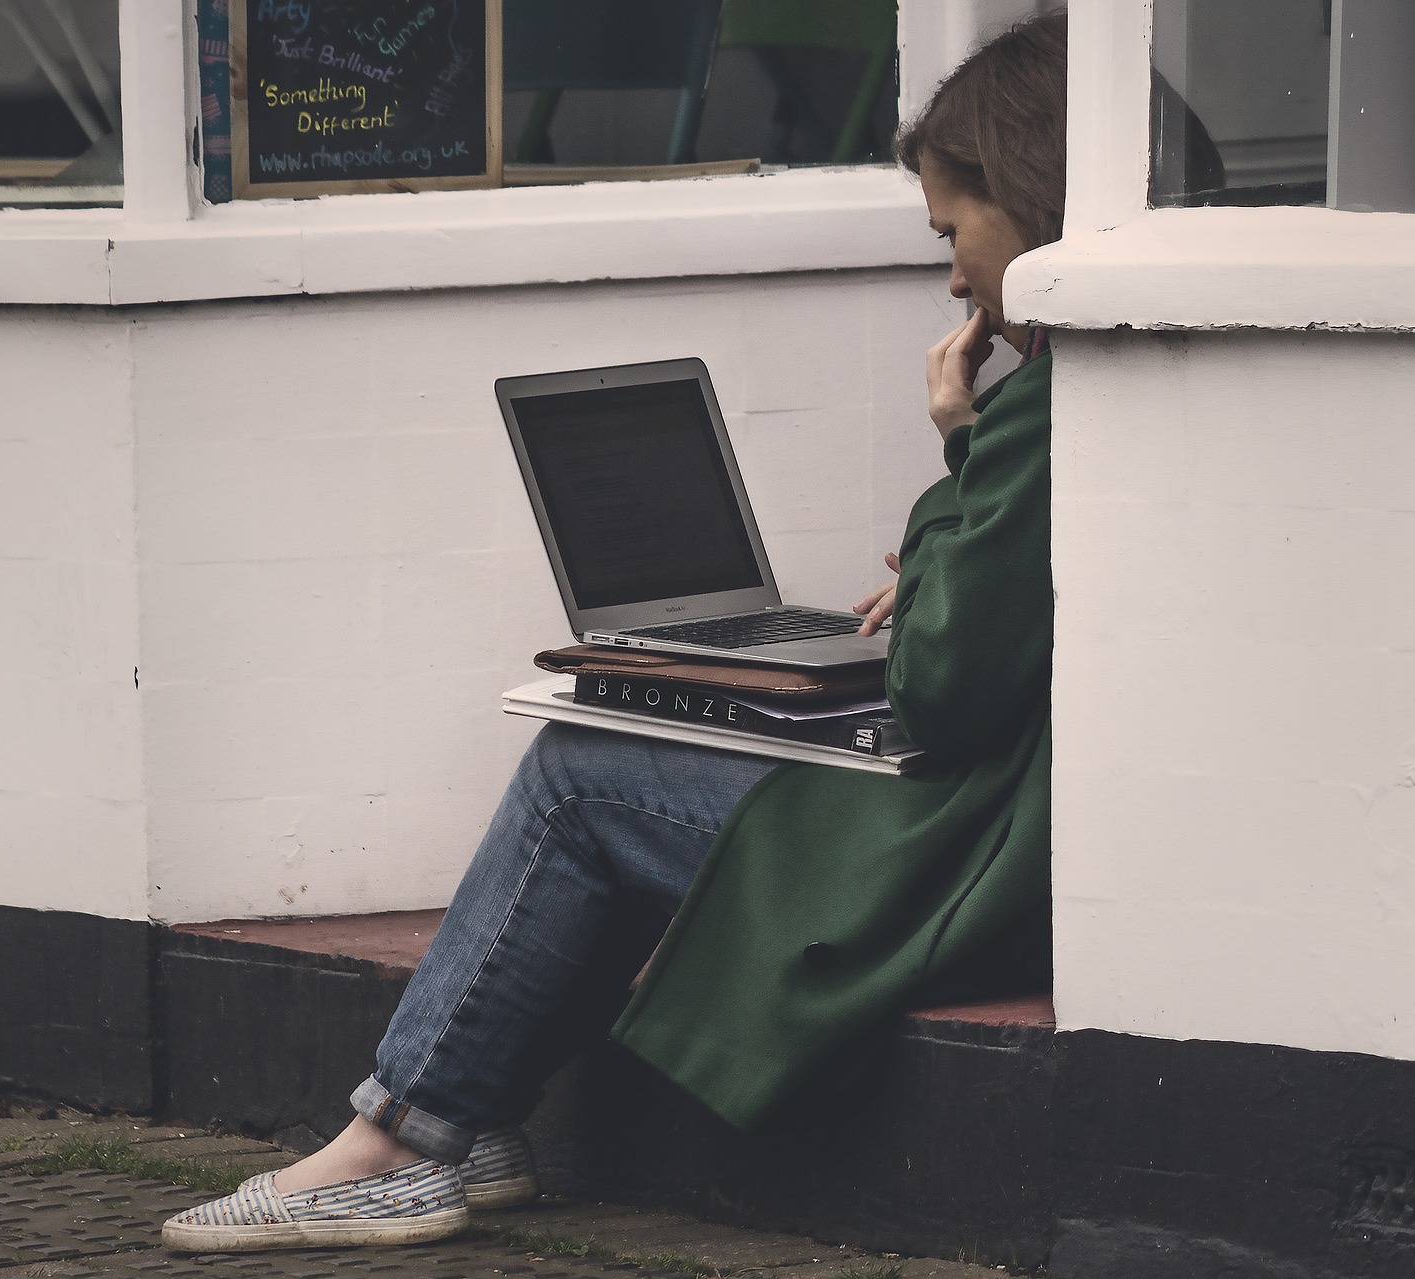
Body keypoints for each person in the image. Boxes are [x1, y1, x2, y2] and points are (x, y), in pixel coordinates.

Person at [163, 11, 1067, 1254]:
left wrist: (960, 441)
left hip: (961, 861)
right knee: (612, 744)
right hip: (1009, 833)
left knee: (582, 775)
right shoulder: (1094, 384)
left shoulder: (1046, 413)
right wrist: (958, 540)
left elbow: (947, 693)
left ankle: (401, 1143)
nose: (955, 278)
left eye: (954, 233)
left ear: (1027, 201)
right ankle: (460, 1123)